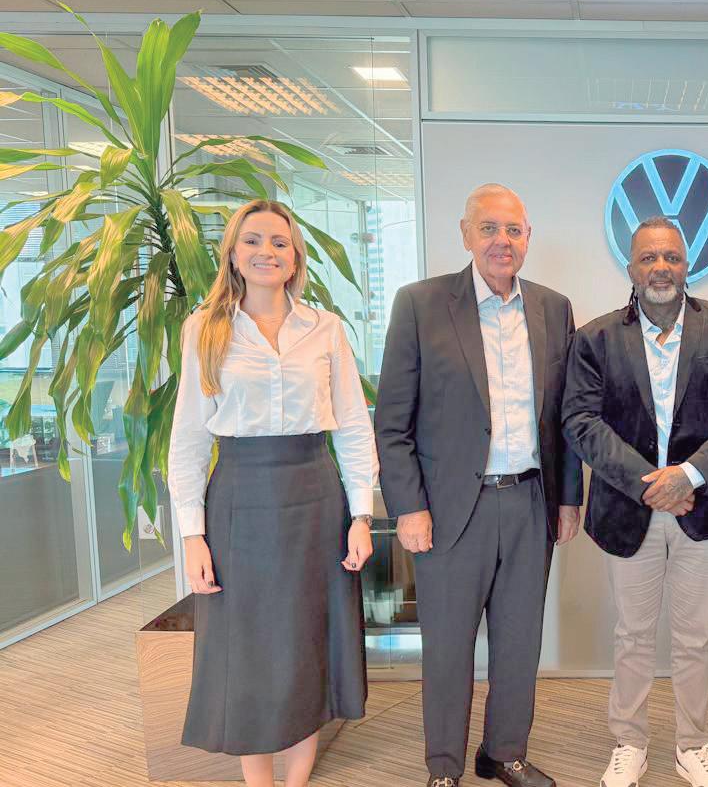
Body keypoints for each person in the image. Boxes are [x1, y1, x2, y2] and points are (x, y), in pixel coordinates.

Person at [375, 183, 583, 787]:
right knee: (448, 646)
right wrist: (408, 507)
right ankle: (444, 767)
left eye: (513, 230)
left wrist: (569, 497)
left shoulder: (553, 308)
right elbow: (392, 422)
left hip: (530, 502)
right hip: (449, 511)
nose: (502, 241)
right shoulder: (420, 304)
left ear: (528, 238)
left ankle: (503, 753)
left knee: (519, 641)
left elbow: (565, 417)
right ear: (465, 234)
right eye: (489, 228)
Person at [168, 199, 376, 787]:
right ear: (234, 255)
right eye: (254, 241)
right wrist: (192, 535)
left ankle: (297, 779)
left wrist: (361, 515)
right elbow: (188, 437)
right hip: (238, 501)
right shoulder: (205, 330)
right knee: (248, 644)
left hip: (316, 496)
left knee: (308, 637)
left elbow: (353, 426)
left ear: (295, 257)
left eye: (279, 242)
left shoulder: (325, 329)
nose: (267, 251)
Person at [563, 216, 708, 787]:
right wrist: (652, 483)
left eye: (671, 258)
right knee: (631, 635)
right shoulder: (596, 338)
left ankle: (692, 745)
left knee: (695, 637)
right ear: (630, 267)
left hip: (703, 508)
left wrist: (690, 476)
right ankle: (629, 742)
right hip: (630, 511)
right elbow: (580, 421)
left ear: (687, 265)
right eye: (649, 258)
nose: (661, 268)